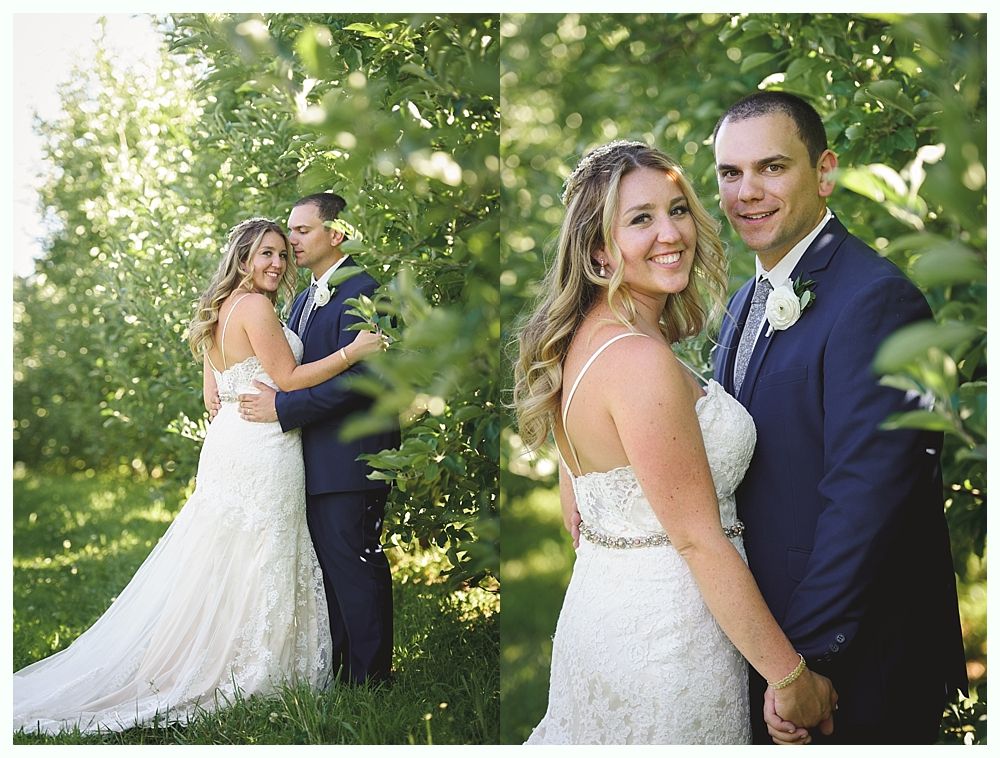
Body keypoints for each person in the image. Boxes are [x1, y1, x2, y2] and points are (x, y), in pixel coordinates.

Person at [512, 140, 837, 745]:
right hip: (668, 639)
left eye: (678, 209)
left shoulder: (585, 343)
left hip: (606, 608)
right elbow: (696, 537)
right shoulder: (637, 361)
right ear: (601, 255)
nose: (671, 232)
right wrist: (791, 679)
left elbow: (581, 497)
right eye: (641, 219)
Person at [13, 217, 386, 734]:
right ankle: (252, 666)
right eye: (266, 254)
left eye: (282, 252)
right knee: (261, 550)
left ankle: (211, 652)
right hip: (262, 445)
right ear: (242, 260)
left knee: (227, 554)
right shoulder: (255, 306)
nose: (277, 263)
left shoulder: (222, 306)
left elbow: (221, 373)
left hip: (233, 436)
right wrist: (354, 352)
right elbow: (287, 379)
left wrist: (214, 382)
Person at [711, 91, 967, 744]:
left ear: (824, 172)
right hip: (774, 653)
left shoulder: (876, 300)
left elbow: (866, 496)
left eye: (772, 167)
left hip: (857, 665)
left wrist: (809, 665)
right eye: (730, 173)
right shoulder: (748, 299)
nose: (748, 192)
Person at [238, 192, 400, 686]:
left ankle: (371, 681)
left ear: (338, 233)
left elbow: (367, 379)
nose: (291, 240)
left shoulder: (371, 291)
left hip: (352, 457)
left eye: (303, 230)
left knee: (355, 569)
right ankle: (341, 672)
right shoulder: (303, 298)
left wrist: (284, 408)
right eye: (290, 230)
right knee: (329, 574)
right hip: (309, 459)